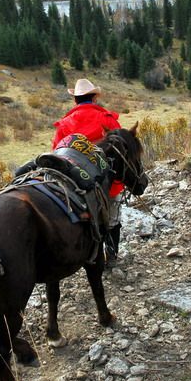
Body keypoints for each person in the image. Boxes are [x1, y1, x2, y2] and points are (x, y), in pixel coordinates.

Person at [52, 78, 124, 268]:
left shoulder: (65, 123)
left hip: (74, 184)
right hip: (106, 183)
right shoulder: (108, 119)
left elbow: (57, 152)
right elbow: (120, 151)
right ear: (94, 98)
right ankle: (112, 255)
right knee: (113, 218)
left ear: (75, 100)